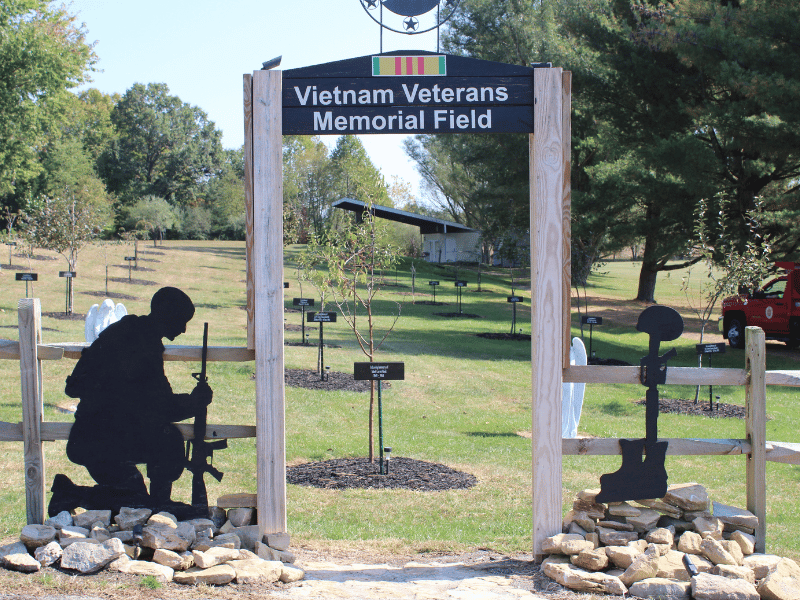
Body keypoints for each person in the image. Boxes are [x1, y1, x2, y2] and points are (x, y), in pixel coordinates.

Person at [49, 287, 212, 515]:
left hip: (110, 435)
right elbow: (161, 407)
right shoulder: (140, 343)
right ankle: (71, 494)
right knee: (136, 499)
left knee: (167, 441)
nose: (184, 329)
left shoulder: (126, 332)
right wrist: (195, 402)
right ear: (167, 316)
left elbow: (75, 385)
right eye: (182, 321)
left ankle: (157, 502)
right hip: (99, 440)